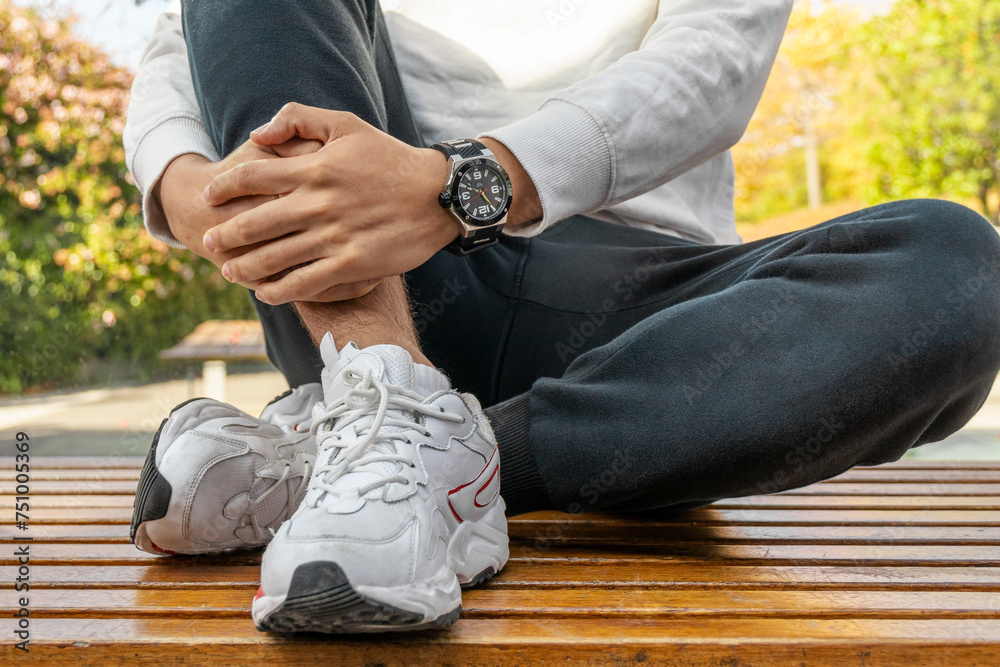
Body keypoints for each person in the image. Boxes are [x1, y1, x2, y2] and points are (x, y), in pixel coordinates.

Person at [123, 0, 1000, 634]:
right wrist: (187, 184)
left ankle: (394, 459)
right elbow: (191, 38)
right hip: (374, 289)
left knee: (957, 269)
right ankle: (387, 393)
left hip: (648, 318)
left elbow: (715, 60)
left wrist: (463, 185)